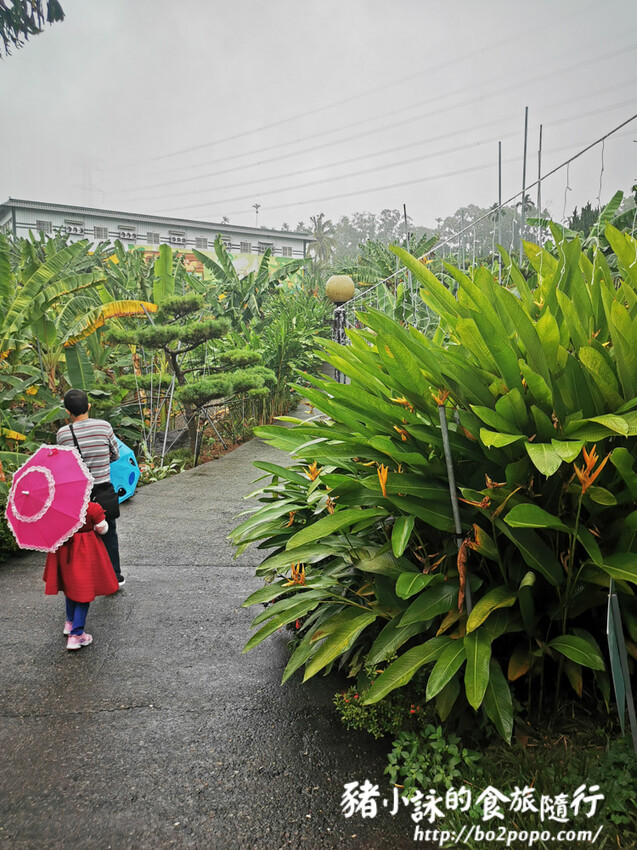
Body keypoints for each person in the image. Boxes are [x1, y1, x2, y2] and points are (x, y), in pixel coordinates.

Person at [57, 389, 125, 586]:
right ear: (88, 406)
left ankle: (84, 576)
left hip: (78, 493)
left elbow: (65, 463)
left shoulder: (62, 434)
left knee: (81, 535)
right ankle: (114, 575)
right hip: (103, 490)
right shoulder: (104, 426)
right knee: (108, 531)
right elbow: (115, 455)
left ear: (67, 410)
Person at [43, 501, 119, 650]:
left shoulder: (60, 507)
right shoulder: (92, 508)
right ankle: (76, 635)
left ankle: (70, 622)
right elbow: (103, 529)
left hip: (64, 551)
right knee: (84, 593)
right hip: (85, 552)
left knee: (70, 588)